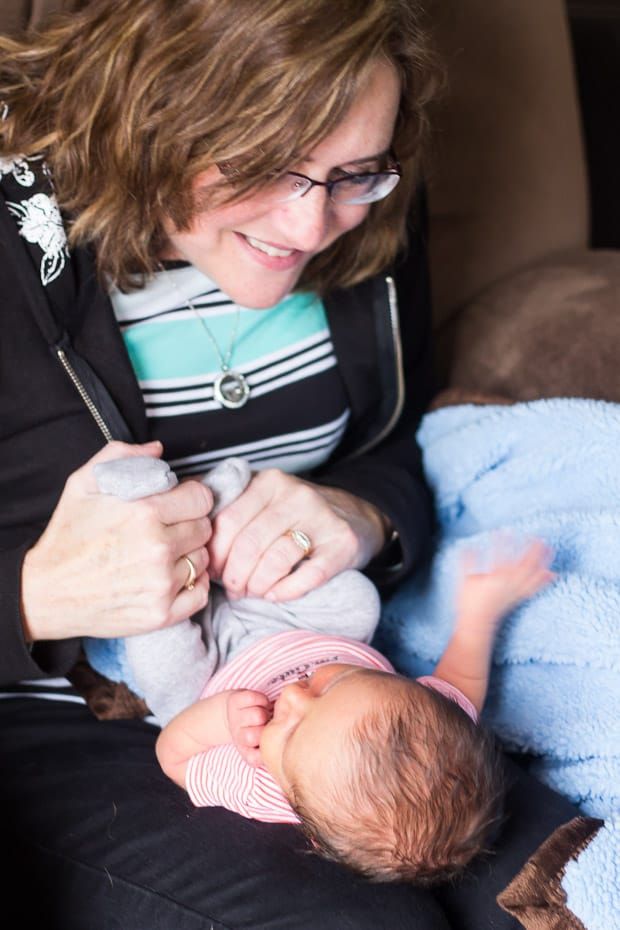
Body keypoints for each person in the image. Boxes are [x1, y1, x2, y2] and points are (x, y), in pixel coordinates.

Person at [0, 2, 582, 928]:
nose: (312, 225)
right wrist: (32, 597)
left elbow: (397, 440)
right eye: (270, 166)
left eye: (353, 172)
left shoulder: (369, 219)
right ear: (154, 112)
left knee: (560, 883)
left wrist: (362, 515)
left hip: (362, 696)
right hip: (67, 711)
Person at [156, 540, 553, 884]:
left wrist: (221, 717)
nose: (293, 697)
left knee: (164, 665)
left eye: (292, 732)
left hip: (213, 662)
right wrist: (480, 613)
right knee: (356, 598)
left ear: (300, 809)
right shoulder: (425, 716)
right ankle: (233, 557)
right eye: (333, 685)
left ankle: (167, 582)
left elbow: (173, 755)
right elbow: (462, 678)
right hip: (295, 625)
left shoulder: (258, 788)